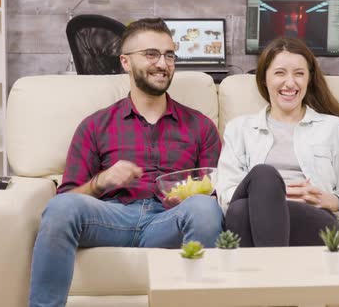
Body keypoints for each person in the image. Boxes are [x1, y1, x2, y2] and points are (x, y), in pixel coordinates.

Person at [29, 18, 224, 307]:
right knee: (60, 207)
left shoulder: (201, 126)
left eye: (169, 55)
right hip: (112, 217)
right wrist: (100, 182)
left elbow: (215, 193)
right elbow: (66, 200)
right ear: (125, 62)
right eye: (151, 54)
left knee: (205, 207)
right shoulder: (96, 125)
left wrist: (187, 193)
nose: (163, 63)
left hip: (168, 220)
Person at [216, 37, 339, 247]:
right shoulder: (239, 129)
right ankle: (279, 275)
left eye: (299, 74)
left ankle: (262, 276)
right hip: (250, 215)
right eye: (280, 72)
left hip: (314, 219)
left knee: (243, 209)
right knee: (262, 179)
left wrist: (328, 200)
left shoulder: (333, 127)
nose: (290, 82)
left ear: (309, 80)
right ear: (264, 78)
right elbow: (227, 196)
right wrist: (270, 195)